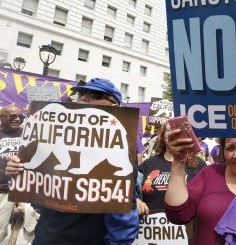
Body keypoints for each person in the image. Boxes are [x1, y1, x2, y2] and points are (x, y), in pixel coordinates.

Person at [6, 78, 139, 245]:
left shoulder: (114, 143)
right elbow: (38, 201)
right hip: (46, 237)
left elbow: (124, 219)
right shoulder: (55, 133)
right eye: (81, 93)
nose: (84, 98)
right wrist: (20, 172)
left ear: (115, 106)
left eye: (96, 95)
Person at [136, 123, 206, 215]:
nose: (173, 133)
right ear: (162, 135)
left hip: (186, 226)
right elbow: (131, 190)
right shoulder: (147, 164)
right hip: (152, 226)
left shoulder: (199, 165)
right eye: (169, 130)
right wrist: (136, 201)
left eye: (177, 130)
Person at [0, 105, 24, 242]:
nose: (17, 119)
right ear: (1, 117)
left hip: (24, 190)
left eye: (20, 116)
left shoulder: (28, 133)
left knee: (22, 232)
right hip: (3, 191)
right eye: (13, 116)